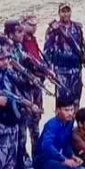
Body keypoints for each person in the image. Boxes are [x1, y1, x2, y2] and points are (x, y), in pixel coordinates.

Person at [43, 2, 85, 108]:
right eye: (63, 11)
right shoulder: (53, 29)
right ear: (59, 13)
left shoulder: (77, 28)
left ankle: (75, 117)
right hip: (61, 69)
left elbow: (82, 45)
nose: (65, 14)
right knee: (62, 100)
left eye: (67, 11)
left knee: (76, 97)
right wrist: (49, 69)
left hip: (76, 68)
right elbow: (47, 50)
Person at [5, 19, 37, 169]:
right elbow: (12, 75)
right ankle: (19, 164)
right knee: (20, 131)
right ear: (10, 34)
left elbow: (27, 60)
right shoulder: (6, 52)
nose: (22, 34)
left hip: (22, 93)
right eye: (18, 32)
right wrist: (28, 80)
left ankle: (21, 160)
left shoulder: (18, 47)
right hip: (15, 96)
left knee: (23, 128)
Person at [21, 14, 49, 160]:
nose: (34, 28)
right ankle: (23, 156)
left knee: (36, 120)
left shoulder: (32, 39)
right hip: (26, 87)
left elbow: (37, 58)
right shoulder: (19, 43)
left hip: (37, 85)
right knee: (25, 121)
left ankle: (36, 153)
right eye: (30, 25)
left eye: (35, 25)